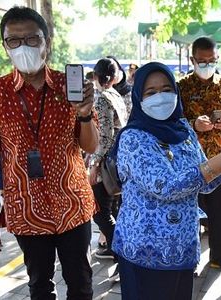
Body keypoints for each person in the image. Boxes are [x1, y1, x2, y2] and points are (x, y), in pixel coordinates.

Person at [0, 7, 98, 299]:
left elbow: (90, 147)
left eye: (31, 39)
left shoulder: (71, 86)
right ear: (5, 46)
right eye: (13, 41)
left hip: (72, 205)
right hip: (25, 207)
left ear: (46, 42)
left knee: (81, 283)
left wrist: (85, 114)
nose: (23, 46)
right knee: (39, 285)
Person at [112, 62, 221, 300]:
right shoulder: (133, 138)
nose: (161, 97)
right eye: (151, 92)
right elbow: (165, 186)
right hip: (145, 252)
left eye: (166, 89)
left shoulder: (183, 128)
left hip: (182, 247)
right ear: (138, 97)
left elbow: (204, 182)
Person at [178, 36, 221, 274]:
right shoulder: (181, 86)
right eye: (201, 61)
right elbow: (173, 122)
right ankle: (188, 260)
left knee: (217, 213)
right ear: (192, 59)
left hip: (220, 161)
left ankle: (218, 257)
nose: (206, 64)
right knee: (190, 214)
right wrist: (193, 124)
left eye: (211, 60)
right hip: (189, 162)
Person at [88, 58, 127, 266]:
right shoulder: (117, 96)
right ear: (114, 78)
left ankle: (119, 252)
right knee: (111, 209)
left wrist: (94, 165)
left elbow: (105, 136)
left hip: (105, 164)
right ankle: (119, 253)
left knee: (100, 212)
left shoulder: (102, 98)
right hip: (118, 162)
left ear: (95, 76)